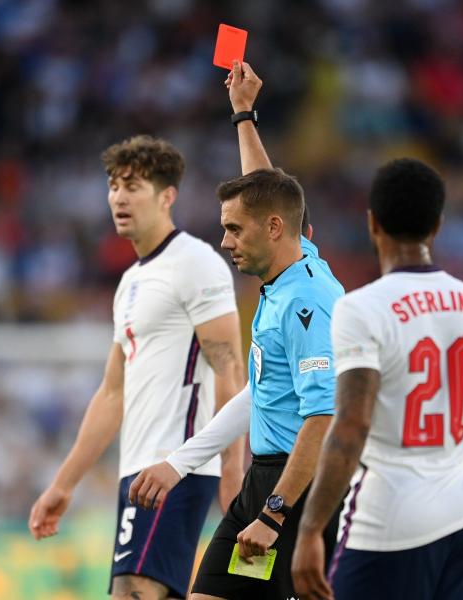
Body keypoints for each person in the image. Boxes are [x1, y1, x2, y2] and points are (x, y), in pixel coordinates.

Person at [291, 158, 463, 600]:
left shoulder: (361, 309)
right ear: (438, 226)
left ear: (373, 224)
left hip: (390, 516)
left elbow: (352, 426)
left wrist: (311, 530)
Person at [129, 61, 344, 599]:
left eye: (232, 229)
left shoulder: (307, 304)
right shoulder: (291, 264)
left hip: (296, 489)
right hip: (265, 482)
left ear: (274, 231)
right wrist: (243, 115)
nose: (224, 241)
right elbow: (268, 195)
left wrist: (273, 514)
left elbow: (323, 415)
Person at [28, 135, 247, 600]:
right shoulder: (131, 282)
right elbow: (112, 393)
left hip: (176, 465)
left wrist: (233, 470)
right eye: (113, 186)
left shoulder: (196, 264)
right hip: (138, 472)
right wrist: (63, 485)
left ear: (167, 196)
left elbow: (229, 370)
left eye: (133, 186)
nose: (119, 197)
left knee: (133, 592)